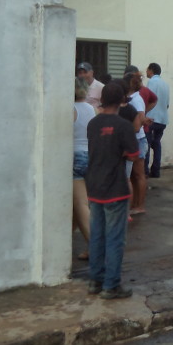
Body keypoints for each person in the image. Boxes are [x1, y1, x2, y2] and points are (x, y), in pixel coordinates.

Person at [85, 81, 139, 299]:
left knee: (97, 235)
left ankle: (95, 281)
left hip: (94, 186)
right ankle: (111, 285)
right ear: (121, 101)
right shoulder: (123, 125)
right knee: (115, 238)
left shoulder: (93, 123)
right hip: (115, 187)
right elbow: (134, 155)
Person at [73, 77, 96, 261]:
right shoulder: (90, 109)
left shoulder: (71, 110)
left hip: (75, 157)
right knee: (80, 204)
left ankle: (95, 246)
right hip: (89, 155)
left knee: (81, 204)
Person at [122, 72, 149, 215]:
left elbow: (140, 119)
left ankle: (140, 205)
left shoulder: (136, 100)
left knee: (138, 175)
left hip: (137, 139)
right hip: (136, 139)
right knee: (134, 176)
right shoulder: (132, 98)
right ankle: (135, 204)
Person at [145, 62, 170, 178]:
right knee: (157, 144)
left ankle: (144, 170)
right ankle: (156, 171)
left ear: (152, 70)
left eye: (147, 70)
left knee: (146, 144)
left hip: (151, 118)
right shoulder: (165, 84)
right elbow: (167, 104)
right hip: (163, 119)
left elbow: (147, 99)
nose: (146, 72)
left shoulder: (151, 82)